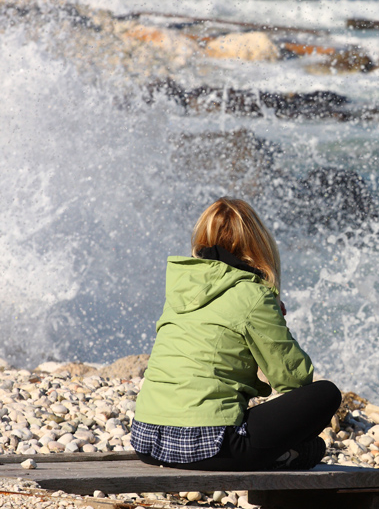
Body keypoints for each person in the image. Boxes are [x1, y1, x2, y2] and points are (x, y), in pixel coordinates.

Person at [131, 197, 341, 471]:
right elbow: (294, 379)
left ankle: (283, 454)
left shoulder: (180, 290)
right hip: (207, 445)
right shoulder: (253, 295)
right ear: (258, 244)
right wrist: (272, 314)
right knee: (325, 394)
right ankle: (283, 455)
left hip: (148, 441)